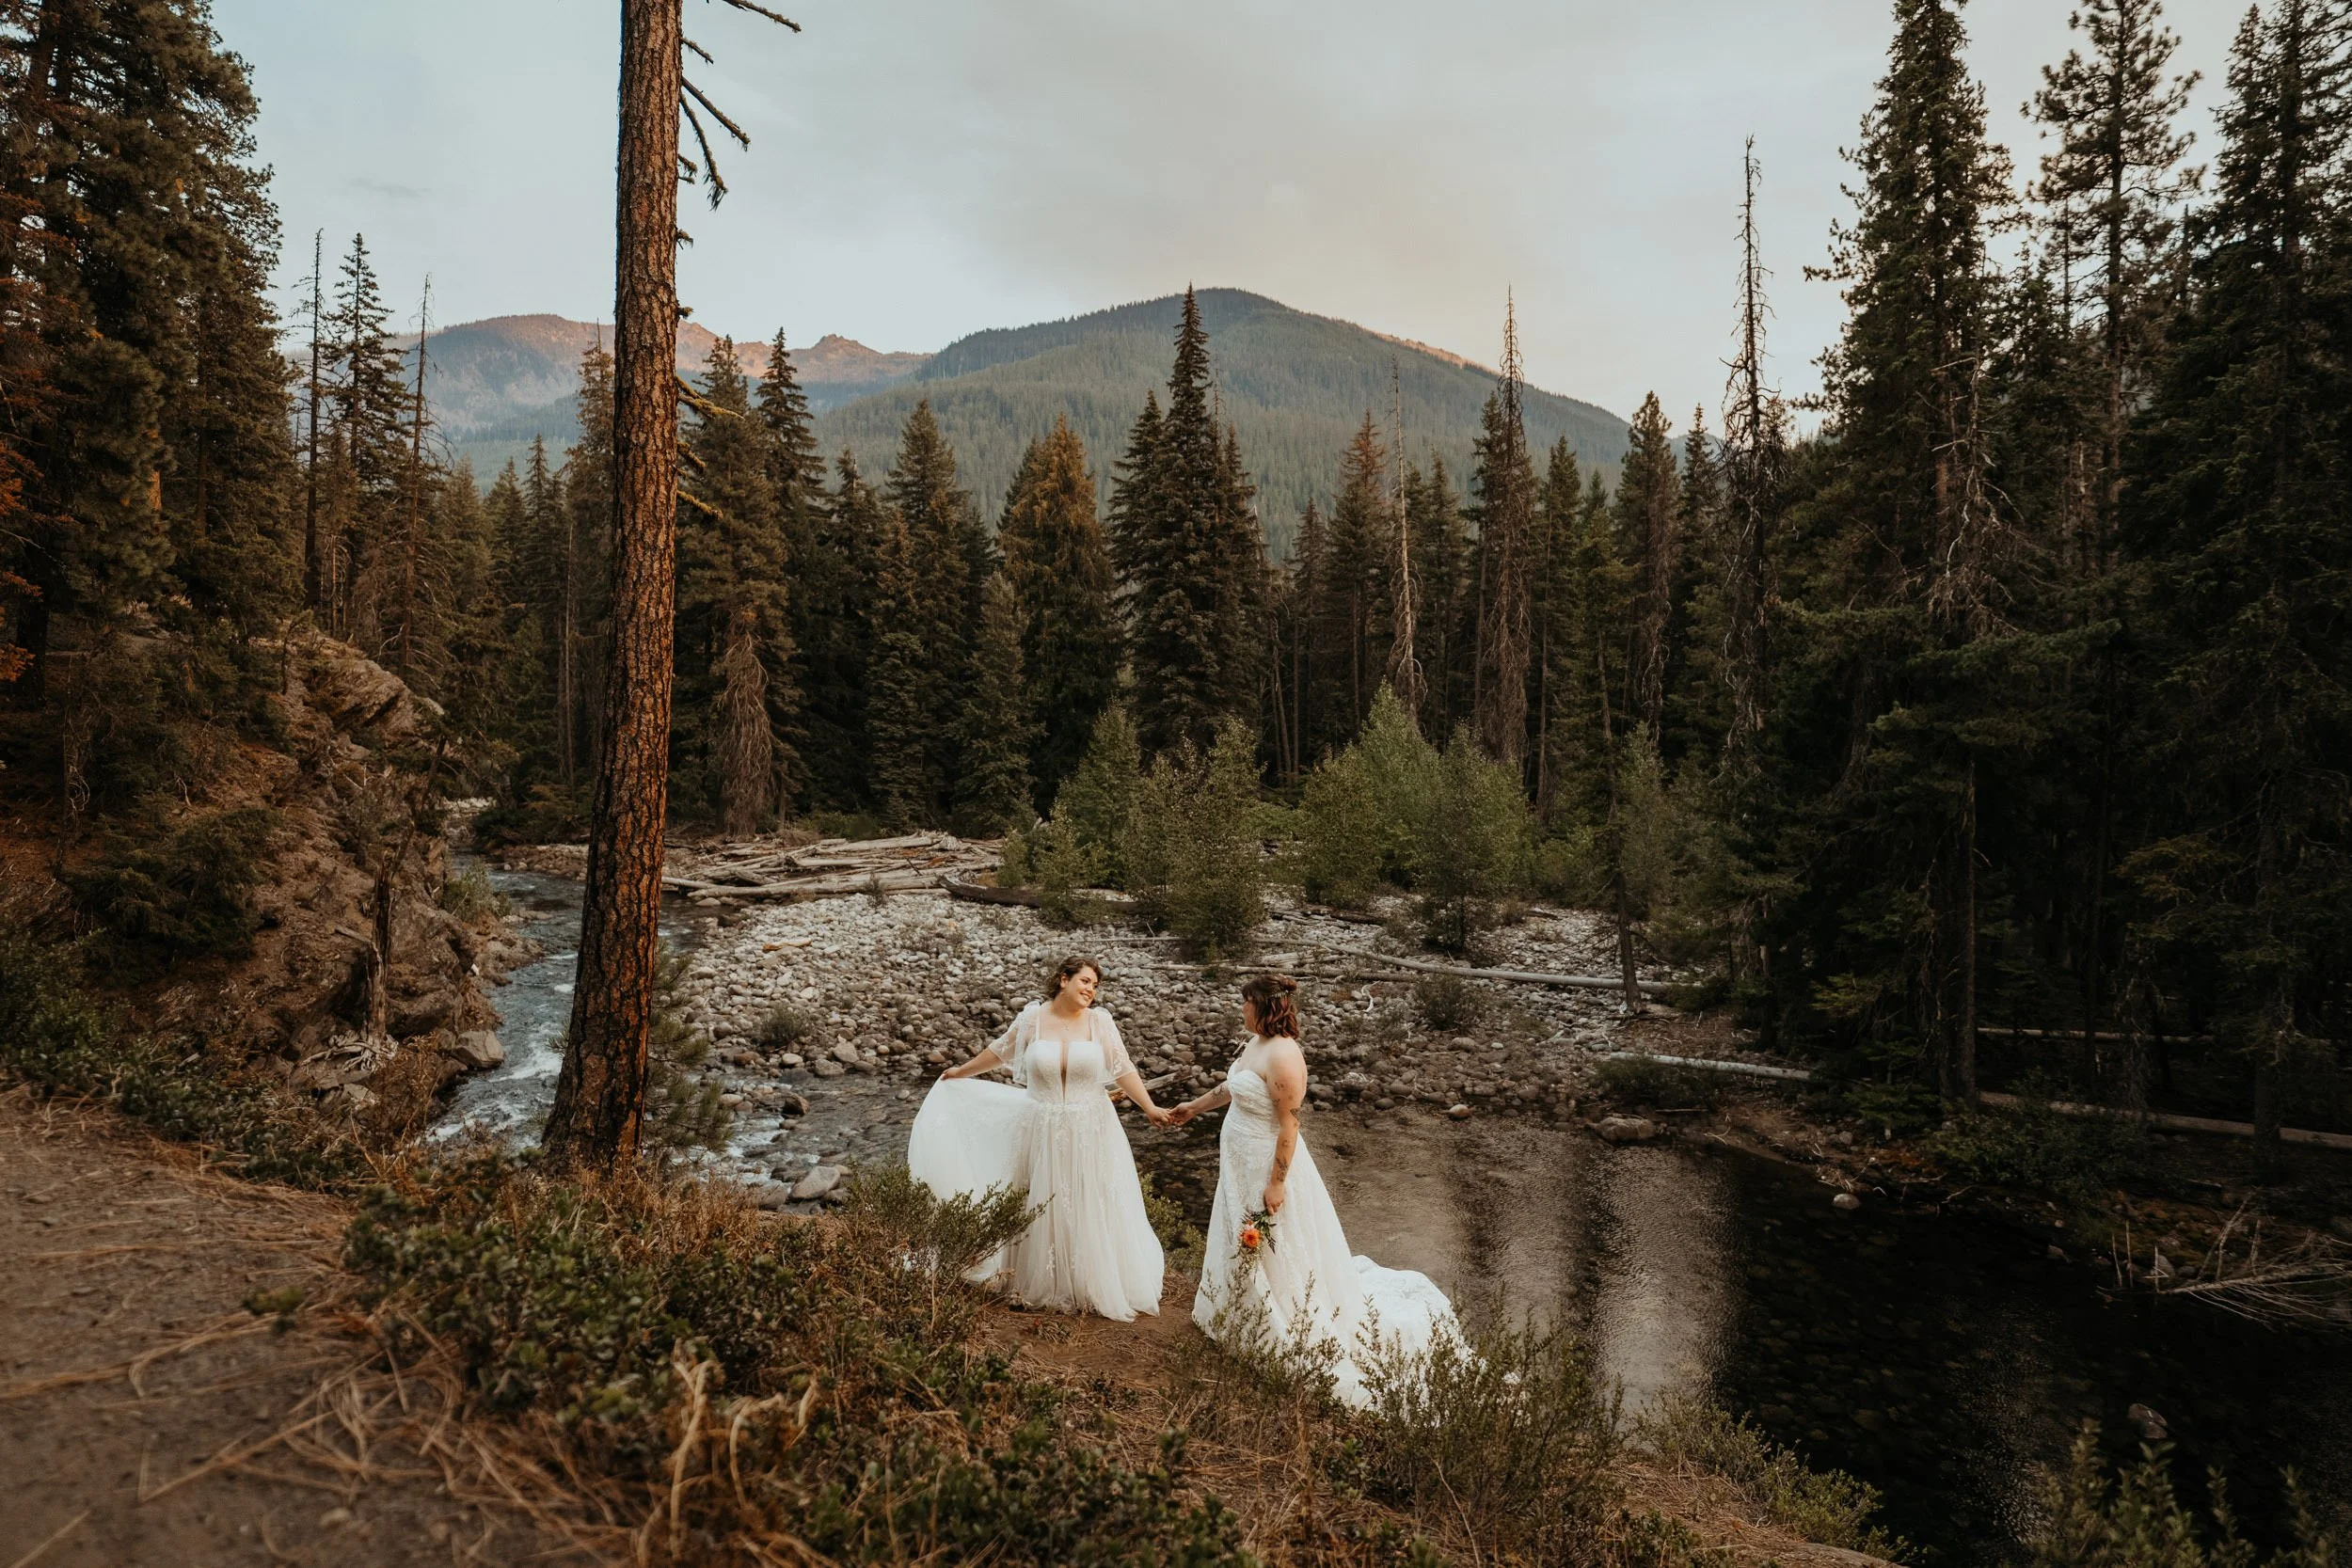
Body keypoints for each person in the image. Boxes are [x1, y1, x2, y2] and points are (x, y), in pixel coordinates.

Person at [1168, 973, 1456, 1405]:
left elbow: (1289, 1124)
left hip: (1265, 1163)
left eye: (1246, 1003)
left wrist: (1277, 1183)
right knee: (1237, 1233)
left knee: (1270, 1243)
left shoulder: (1285, 1057)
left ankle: (1277, 1324)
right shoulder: (1255, 1044)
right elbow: (1234, 1086)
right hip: (1239, 1161)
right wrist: (1195, 1107)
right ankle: (1237, 1314)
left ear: (1265, 1007)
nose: (1241, 1010)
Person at [907, 956, 1172, 1322]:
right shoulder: (1032, 1018)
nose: (1090, 990)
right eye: (1084, 981)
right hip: (1041, 1124)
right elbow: (999, 1052)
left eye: (1095, 985)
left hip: (1090, 1127)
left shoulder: (1100, 1022)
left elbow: (1122, 1068)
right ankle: (1029, 1281)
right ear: (1063, 980)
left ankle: (1087, 1284)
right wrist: (961, 1071)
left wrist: (1150, 1107)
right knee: (1036, 1198)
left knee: (1086, 1198)